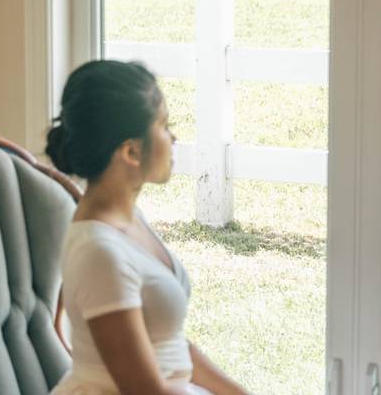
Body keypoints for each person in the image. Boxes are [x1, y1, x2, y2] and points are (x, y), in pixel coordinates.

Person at [48, 60, 250, 395]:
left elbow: (169, 346)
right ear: (131, 150)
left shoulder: (129, 219)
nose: (173, 137)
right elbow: (143, 391)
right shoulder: (99, 252)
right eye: (164, 125)